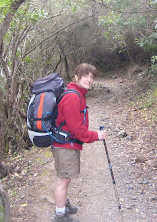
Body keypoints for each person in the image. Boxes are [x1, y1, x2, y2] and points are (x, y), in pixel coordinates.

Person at [52, 63, 108, 222]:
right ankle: (60, 215)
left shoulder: (78, 94)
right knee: (63, 180)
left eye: (91, 77)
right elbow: (76, 128)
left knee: (66, 177)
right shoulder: (72, 97)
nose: (89, 79)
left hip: (68, 143)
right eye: (85, 75)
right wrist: (95, 135)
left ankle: (62, 206)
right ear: (76, 77)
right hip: (64, 145)